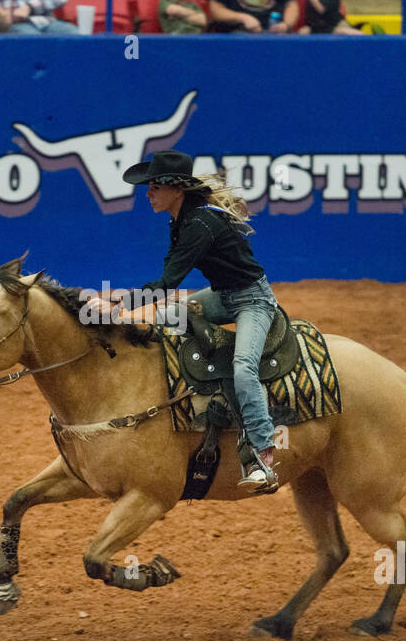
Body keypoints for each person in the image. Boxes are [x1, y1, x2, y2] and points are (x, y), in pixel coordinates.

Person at [114, 150, 282, 493]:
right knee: (166, 316)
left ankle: (263, 456)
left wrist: (120, 305)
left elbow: (167, 283)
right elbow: (166, 282)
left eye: (155, 186)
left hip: (254, 301)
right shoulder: (182, 219)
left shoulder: (199, 225)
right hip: (222, 295)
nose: (148, 193)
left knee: (243, 369)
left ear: (177, 189)